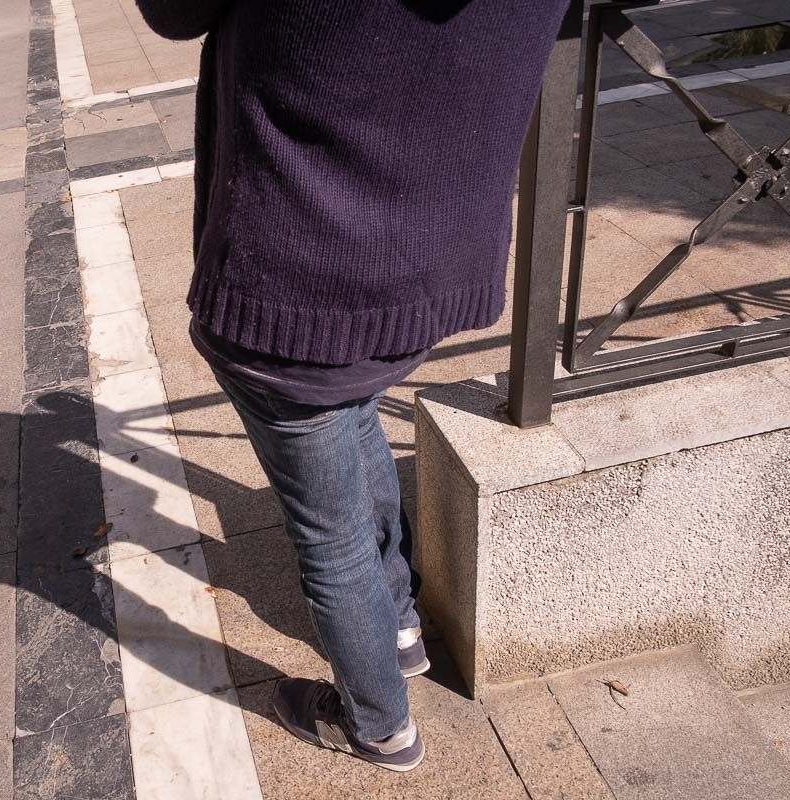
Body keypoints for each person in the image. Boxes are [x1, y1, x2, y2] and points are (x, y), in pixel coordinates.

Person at [135, 0, 570, 772]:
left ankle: (379, 727)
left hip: (293, 283)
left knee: (329, 539)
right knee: (353, 406)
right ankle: (398, 627)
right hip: (429, 266)